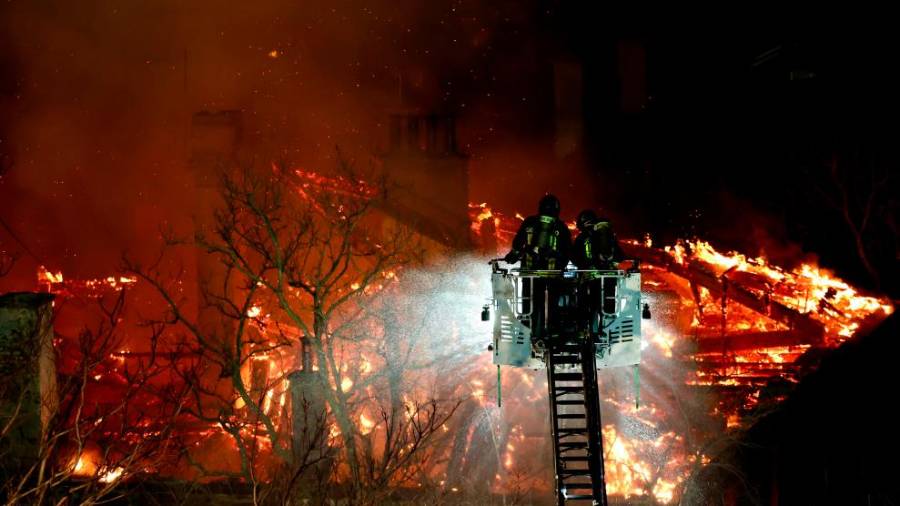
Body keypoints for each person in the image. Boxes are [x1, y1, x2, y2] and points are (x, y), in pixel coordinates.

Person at [502, 194, 572, 339]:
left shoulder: (529, 222)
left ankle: (528, 330)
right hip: (552, 275)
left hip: (530, 273)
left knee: (528, 301)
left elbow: (517, 243)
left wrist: (514, 255)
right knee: (553, 303)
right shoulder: (561, 226)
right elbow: (567, 252)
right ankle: (553, 331)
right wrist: (561, 266)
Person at [573, 210, 625, 333]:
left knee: (583, 303)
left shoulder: (582, 237)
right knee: (609, 306)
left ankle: (582, 331)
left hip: (588, 279)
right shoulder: (609, 236)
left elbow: (574, 256)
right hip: (609, 278)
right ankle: (608, 331)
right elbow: (620, 256)